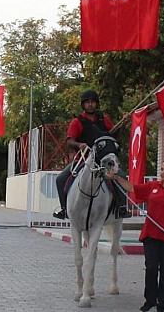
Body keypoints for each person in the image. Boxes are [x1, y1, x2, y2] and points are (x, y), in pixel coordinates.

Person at [108, 158, 164, 312]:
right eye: (161, 169)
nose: (162, 173)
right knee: (151, 268)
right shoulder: (153, 186)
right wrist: (116, 177)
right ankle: (150, 300)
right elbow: (132, 188)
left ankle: (163, 303)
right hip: (151, 235)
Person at [53, 89, 131, 220]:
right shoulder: (77, 122)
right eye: (87, 102)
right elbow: (69, 141)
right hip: (83, 159)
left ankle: (121, 207)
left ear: (97, 104)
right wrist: (80, 145)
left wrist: (124, 122)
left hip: (103, 159)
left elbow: (114, 135)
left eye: (93, 102)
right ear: (83, 105)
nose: (90, 105)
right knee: (60, 179)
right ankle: (64, 209)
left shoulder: (103, 119)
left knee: (122, 176)